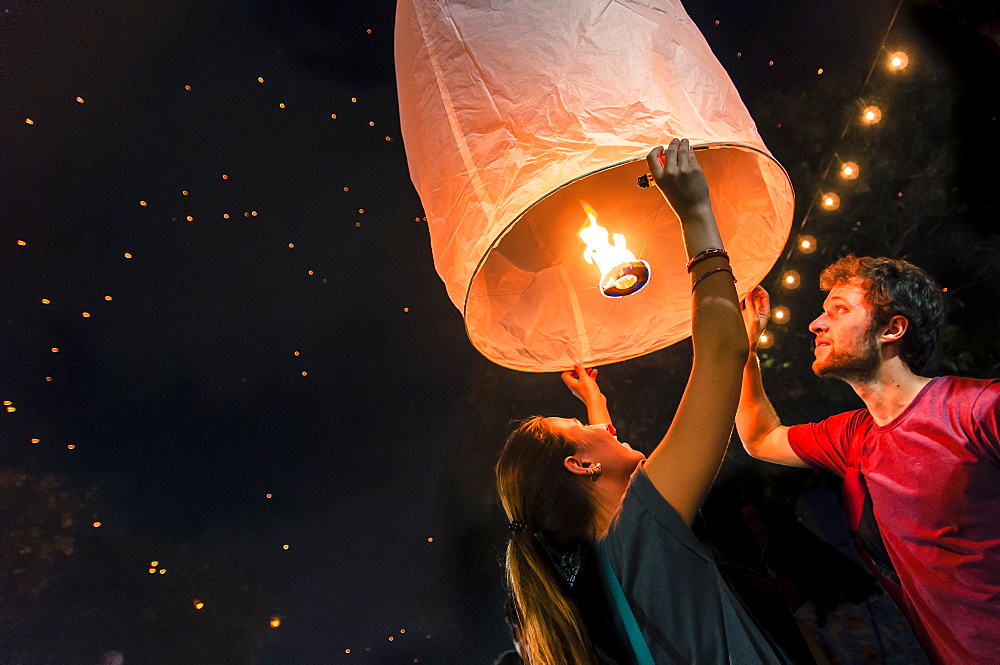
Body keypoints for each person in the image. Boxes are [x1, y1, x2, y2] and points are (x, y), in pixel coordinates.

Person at [495, 139, 795, 665]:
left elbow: (603, 462)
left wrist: (593, 403)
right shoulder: (641, 535)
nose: (607, 431)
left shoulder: (602, 577)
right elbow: (720, 352)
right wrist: (696, 211)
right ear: (580, 464)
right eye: (582, 430)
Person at [736, 257, 1000, 665]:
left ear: (892, 329)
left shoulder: (978, 409)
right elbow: (759, 438)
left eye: (839, 310)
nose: (816, 324)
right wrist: (745, 349)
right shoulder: (852, 437)